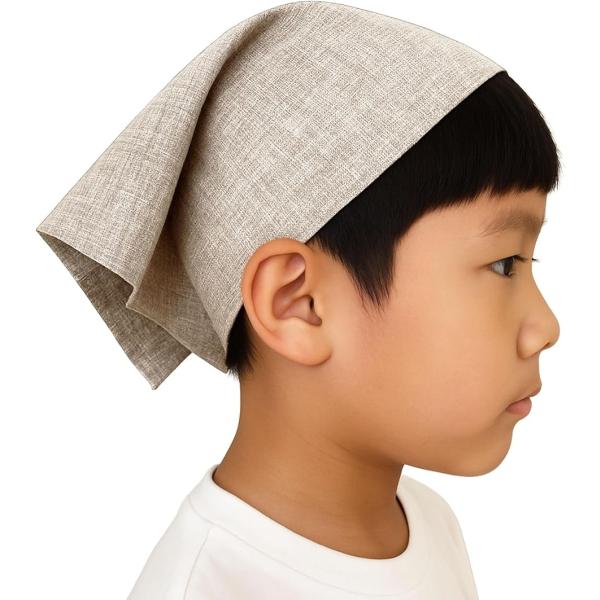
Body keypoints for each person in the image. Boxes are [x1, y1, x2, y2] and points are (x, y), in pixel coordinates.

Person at [36, 2, 561, 598]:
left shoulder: (428, 522)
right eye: (504, 263)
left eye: (528, 262)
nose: (545, 326)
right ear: (298, 303)